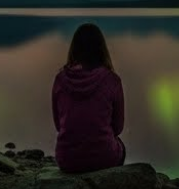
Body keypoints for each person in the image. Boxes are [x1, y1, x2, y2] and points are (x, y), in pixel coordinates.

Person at [52, 22, 126, 173]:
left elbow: (59, 126)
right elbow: (118, 128)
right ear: (101, 49)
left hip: (67, 159)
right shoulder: (112, 80)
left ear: (74, 48)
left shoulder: (60, 80)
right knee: (121, 147)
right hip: (104, 158)